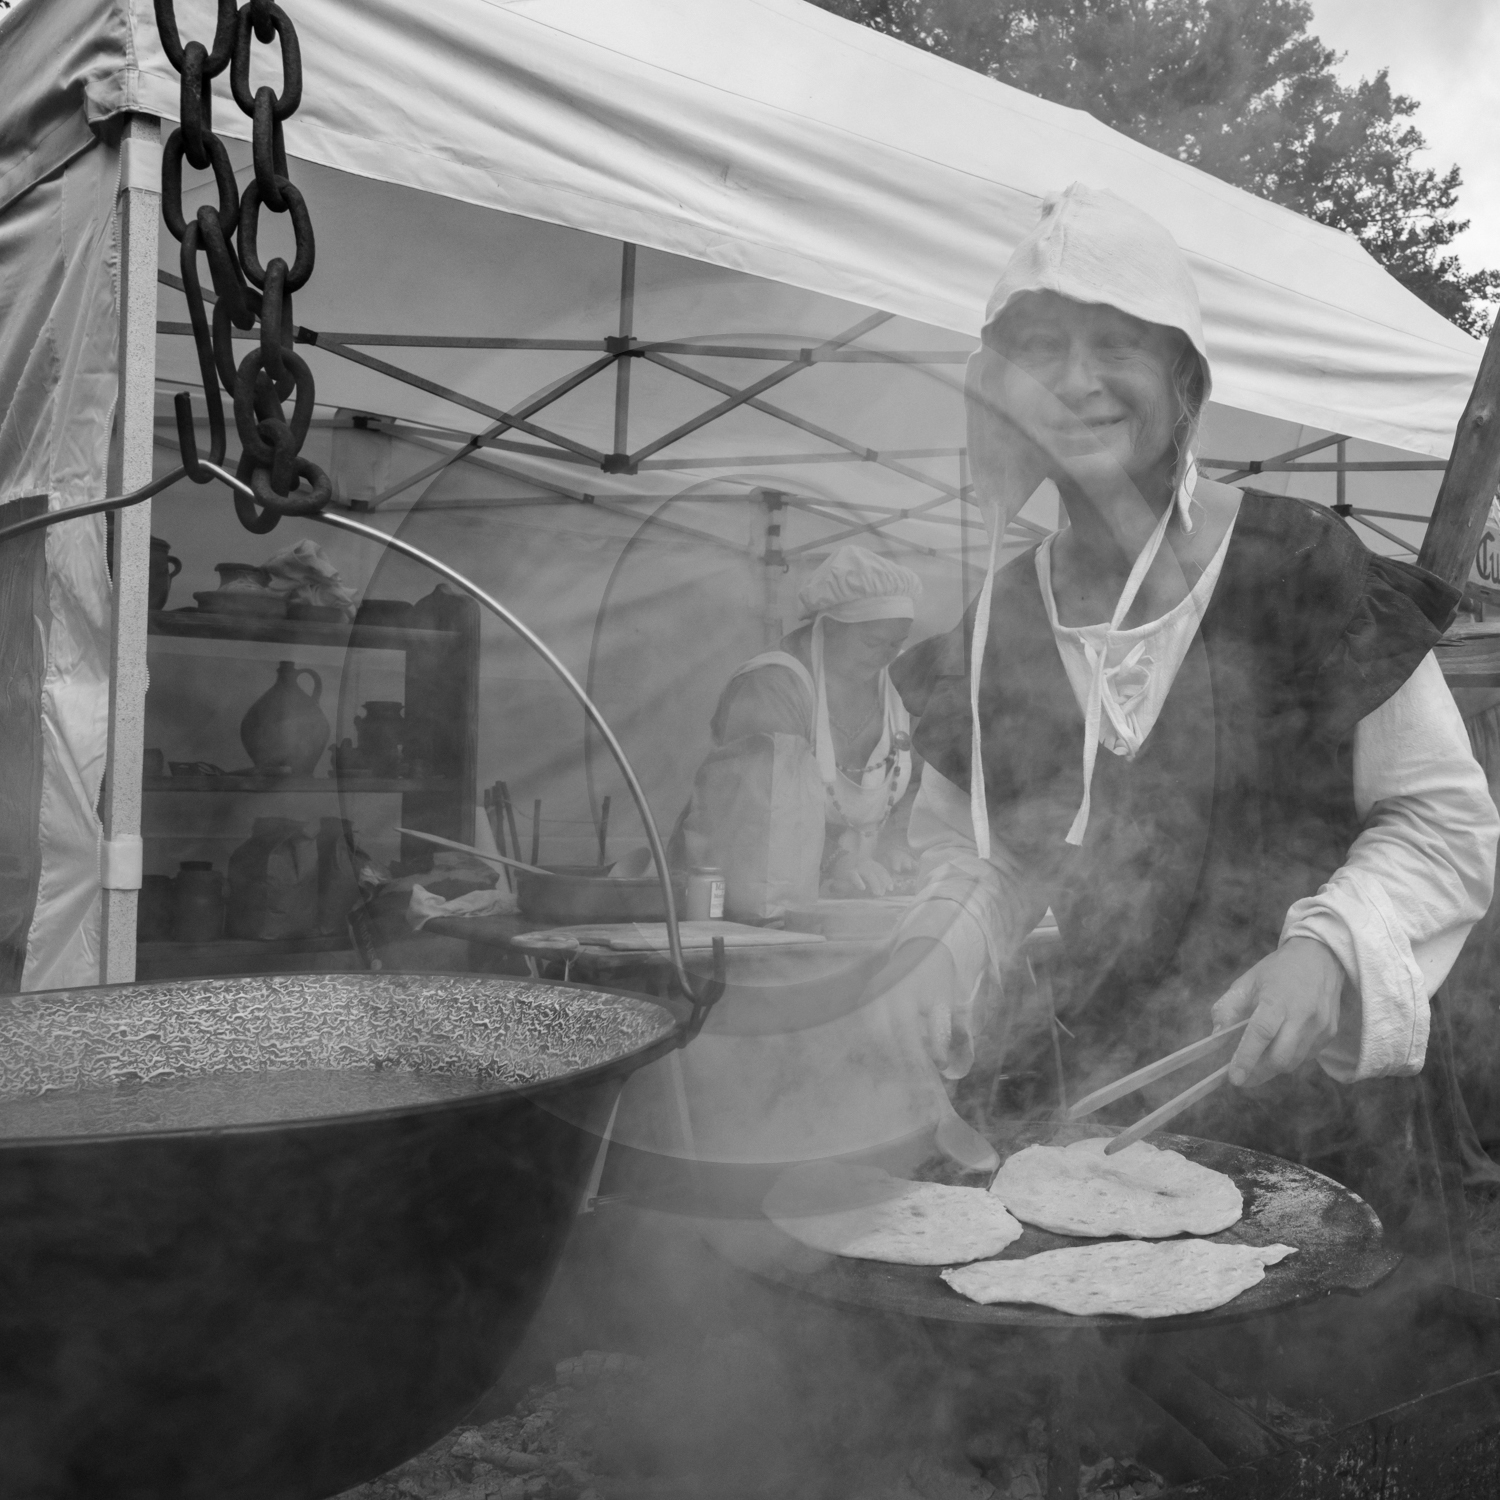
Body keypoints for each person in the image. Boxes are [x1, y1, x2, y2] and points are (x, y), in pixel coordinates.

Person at [878, 183, 1500, 1219]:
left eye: (1116, 344)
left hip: (1332, 1130)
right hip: (1111, 1120)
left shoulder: (1302, 567)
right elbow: (985, 852)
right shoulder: (1002, 619)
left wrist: (1327, 948)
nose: (1076, 381)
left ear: (1183, 382)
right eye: (1041, 349)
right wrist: (939, 945)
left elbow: (1442, 820)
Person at [705, 543, 922, 896]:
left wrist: (896, 843)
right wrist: (837, 860)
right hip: (746, 889)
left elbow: (919, 783)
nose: (886, 656)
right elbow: (760, 808)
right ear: (830, 627)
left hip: (852, 894)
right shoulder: (772, 686)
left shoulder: (899, 684)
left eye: (896, 644)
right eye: (872, 642)